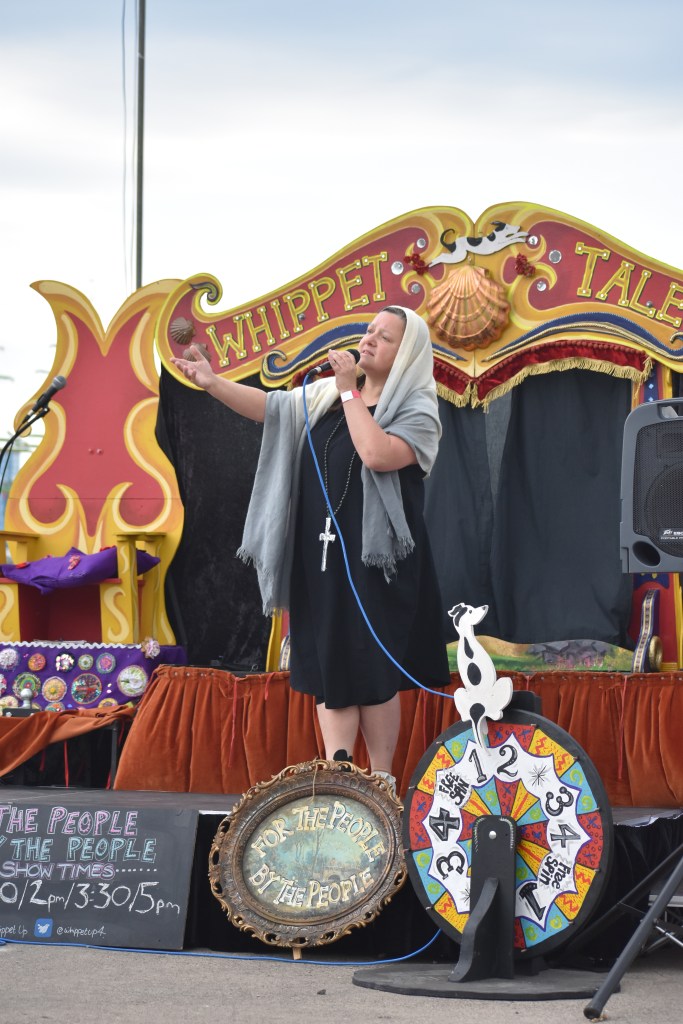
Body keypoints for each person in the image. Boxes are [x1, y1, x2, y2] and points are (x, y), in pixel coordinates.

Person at [171, 306, 450, 792]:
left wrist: (348, 391)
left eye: (383, 338)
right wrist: (212, 382)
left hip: (377, 565)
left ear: (405, 354)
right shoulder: (326, 396)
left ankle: (382, 782)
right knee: (330, 664)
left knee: (372, 667)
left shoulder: (418, 408)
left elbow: (377, 453)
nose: (368, 341)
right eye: (368, 332)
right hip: (320, 559)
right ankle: (340, 778)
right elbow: (270, 408)